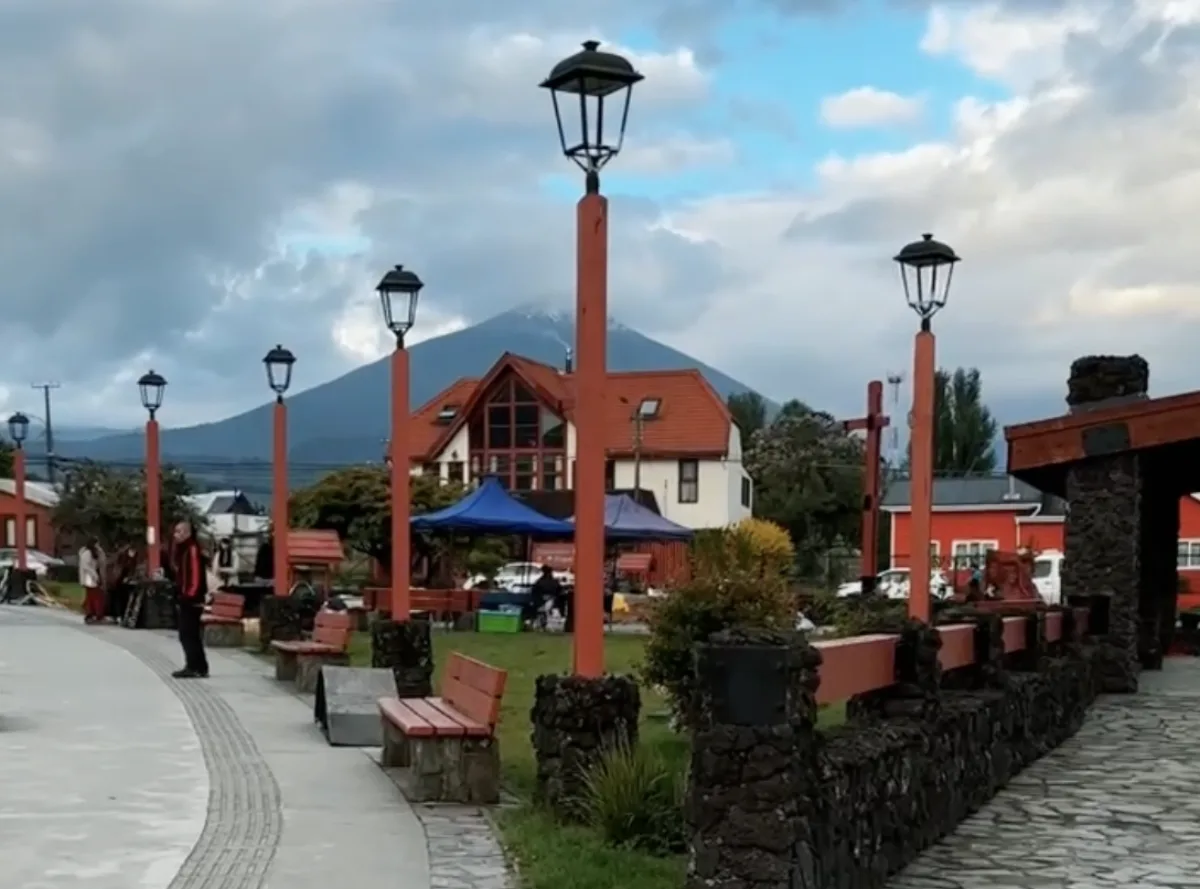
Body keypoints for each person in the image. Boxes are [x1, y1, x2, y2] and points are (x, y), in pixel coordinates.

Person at [172, 520, 210, 679]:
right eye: (175, 532)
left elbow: (194, 574)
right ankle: (199, 666)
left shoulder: (192, 549)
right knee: (190, 633)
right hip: (188, 596)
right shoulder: (184, 549)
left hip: (192, 599)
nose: (176, 535)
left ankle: (194, 666)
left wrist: (189, 595)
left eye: (179, 531)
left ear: (188, 533)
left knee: (187, 633)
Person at [79, 538, 106, 624]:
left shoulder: (95, 553)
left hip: (93, 577)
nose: (98, 546)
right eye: (97, 544)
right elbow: (86, 566)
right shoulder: (87, 553)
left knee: (93, 596)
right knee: (95, 596)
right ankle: (94, 614)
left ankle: (93, 614)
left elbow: (102, 561)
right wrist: (94, 574)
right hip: (89, 578)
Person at [529, 565, 562, 630]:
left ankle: (540, 623)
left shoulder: (539, 581)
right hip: (551, 600)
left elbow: (534, 591)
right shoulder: (554, 581)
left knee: (541, 610)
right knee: (545, 609)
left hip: (541, 601)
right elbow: (559, 591)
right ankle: (543, 623)